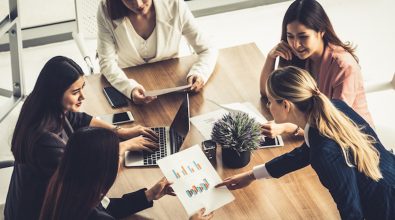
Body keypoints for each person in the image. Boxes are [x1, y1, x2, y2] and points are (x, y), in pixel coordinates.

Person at [217, 66, 395, 219]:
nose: (269, 107)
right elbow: (304, 153)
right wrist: (251, 175)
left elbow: (351, 211)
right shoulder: (335, 107)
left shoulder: (324, 152)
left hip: (384, 207)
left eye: (270, 102)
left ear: (286, 105)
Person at [4, 56, 159, 220]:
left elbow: (79, 119)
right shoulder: (45, 144)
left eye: (82, 88)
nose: (83, 97)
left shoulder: (41, 108)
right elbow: (87, 178)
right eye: (75, 92)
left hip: (24, 207)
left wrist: (119, 131)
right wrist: (122, 147)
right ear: (55, 93)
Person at [40, 127, 213, 219]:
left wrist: (149, 195)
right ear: (102, 168)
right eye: (118, 156)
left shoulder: (65, 190)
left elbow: (107, 208)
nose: (121, 161)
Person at [259, 0, 373, 138]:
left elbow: (335, 123)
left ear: (321, 31)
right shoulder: (299, 56)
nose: (295, 44)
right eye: (290, 36)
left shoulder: (343, 66)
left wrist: (289, 127)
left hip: (355, 140)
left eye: (303, 37)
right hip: (318, 134)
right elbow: (267, 93)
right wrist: (271, 57)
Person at [97, 0, 218, 104]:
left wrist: (199, 73)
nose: (138, 4)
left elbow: (207, 48)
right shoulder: (106, 10)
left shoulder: (175, 5)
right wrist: (129, 89)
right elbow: (107, 63)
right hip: (129, 89)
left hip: (173, 88)